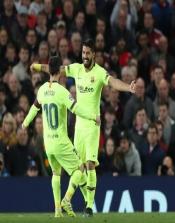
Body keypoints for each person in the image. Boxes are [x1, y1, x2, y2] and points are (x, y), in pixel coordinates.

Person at [30, 39, 136, 217]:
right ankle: (69, 200)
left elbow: (113, 82)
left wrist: (128, 88)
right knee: (78, 168)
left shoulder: (99, 72)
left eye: (88, 53)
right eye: (83, 53)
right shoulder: (76, 69)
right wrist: (38, 67)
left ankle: (88, 206)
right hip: (79, 125)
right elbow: (57, 69)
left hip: (93, 125)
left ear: (94, 54)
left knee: (90, 165)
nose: (85, 56)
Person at [23, 56, 100, 218]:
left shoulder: (43, 89)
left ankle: (57, 210)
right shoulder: (62, 92)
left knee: (56, 174)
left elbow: (34, 108)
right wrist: (93, 116)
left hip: (48, 142)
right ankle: (66, 199)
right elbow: (77, 109)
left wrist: (25, 123)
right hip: (60, 141)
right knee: (80, 169)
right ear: (59, 71)